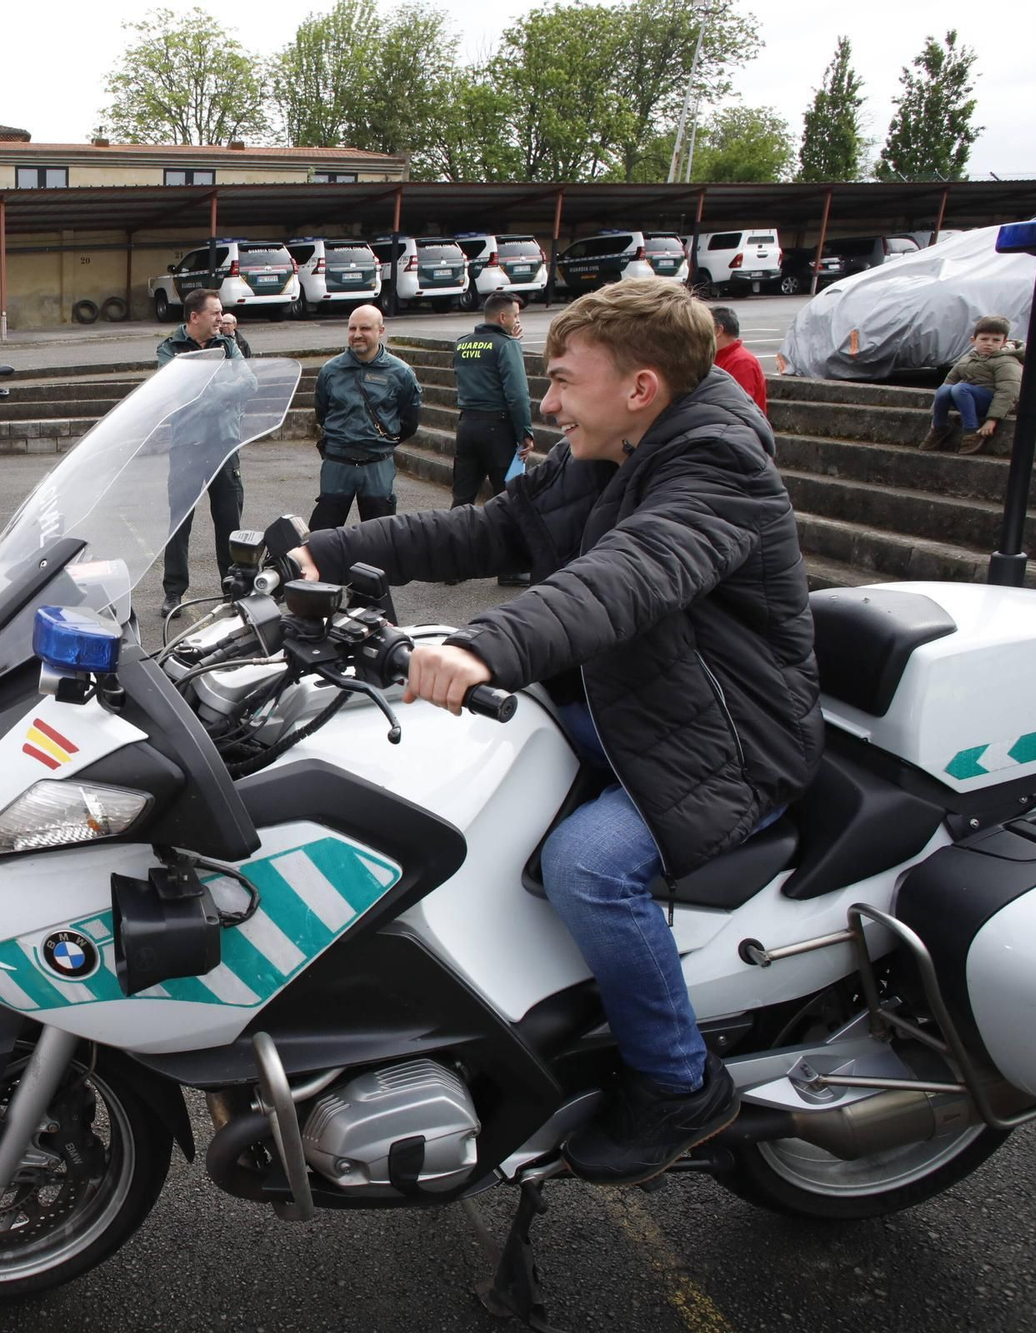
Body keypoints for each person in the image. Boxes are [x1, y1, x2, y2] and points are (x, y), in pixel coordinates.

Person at [292, 278, 822, 1185]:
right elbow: (495, 527)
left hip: (723, 741)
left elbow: (634, 571)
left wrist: (487, 645)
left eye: (564, 380)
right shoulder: (612, 452)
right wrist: (324, 553)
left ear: (640, 388)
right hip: (630, 710)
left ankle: (677, 1083)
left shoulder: (717, 466)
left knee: (589, 865)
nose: (546, 401)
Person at [155, 287, 245, 609]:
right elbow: (178, 390)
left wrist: (206, 392)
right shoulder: (170, 349)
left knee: (229, 521)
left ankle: (232, 588)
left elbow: (249, 383)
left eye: (221, 313)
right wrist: (222, 388)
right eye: (216, 313)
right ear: (195, 316)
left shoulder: (229, 345)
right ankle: (174, 591)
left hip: (224, 444)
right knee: (179, 523)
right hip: (187, 447)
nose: (222, 318)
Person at [310, 304, 419, 530]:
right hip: (337, 464)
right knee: (323, 535)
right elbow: (322, 412)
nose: (357, 334)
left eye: (365, 328)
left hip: (377, 465)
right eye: (352, 328)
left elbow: (410, 420)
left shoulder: (401, 373)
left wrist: (379, 441)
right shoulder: (331, 371)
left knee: (380, 537)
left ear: (381, 331)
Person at [451, 295, 535, 585]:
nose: (516, 323)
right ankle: (509, 569)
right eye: (515, 317)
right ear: (503, 318)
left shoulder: (463, 343)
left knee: (462, 499)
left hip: (467, 426)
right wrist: (525, 432)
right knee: (507, 500)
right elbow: (517, 394)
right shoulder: (506, 345)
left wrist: (513, 343)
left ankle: (452, 567)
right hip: (497, 429)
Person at [922, 315, 1021, 455]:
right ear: (973, 340)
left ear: (1004, 342)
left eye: (996, 340)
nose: (989, 343)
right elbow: (949, 380)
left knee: (960, 388)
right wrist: (935, 412)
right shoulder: (968, 358)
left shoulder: (1006, 361)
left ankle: (971, 431)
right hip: (968, 399)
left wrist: (992, 420)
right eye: (984, 339)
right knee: (945, 389)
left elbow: (1008, 391)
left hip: (990, 404)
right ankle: (938, 427)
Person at [709, 307, 767, 416]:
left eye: (704, 328)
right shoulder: (717, 356)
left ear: (718, 331)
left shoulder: (743, 362)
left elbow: (738, 407)